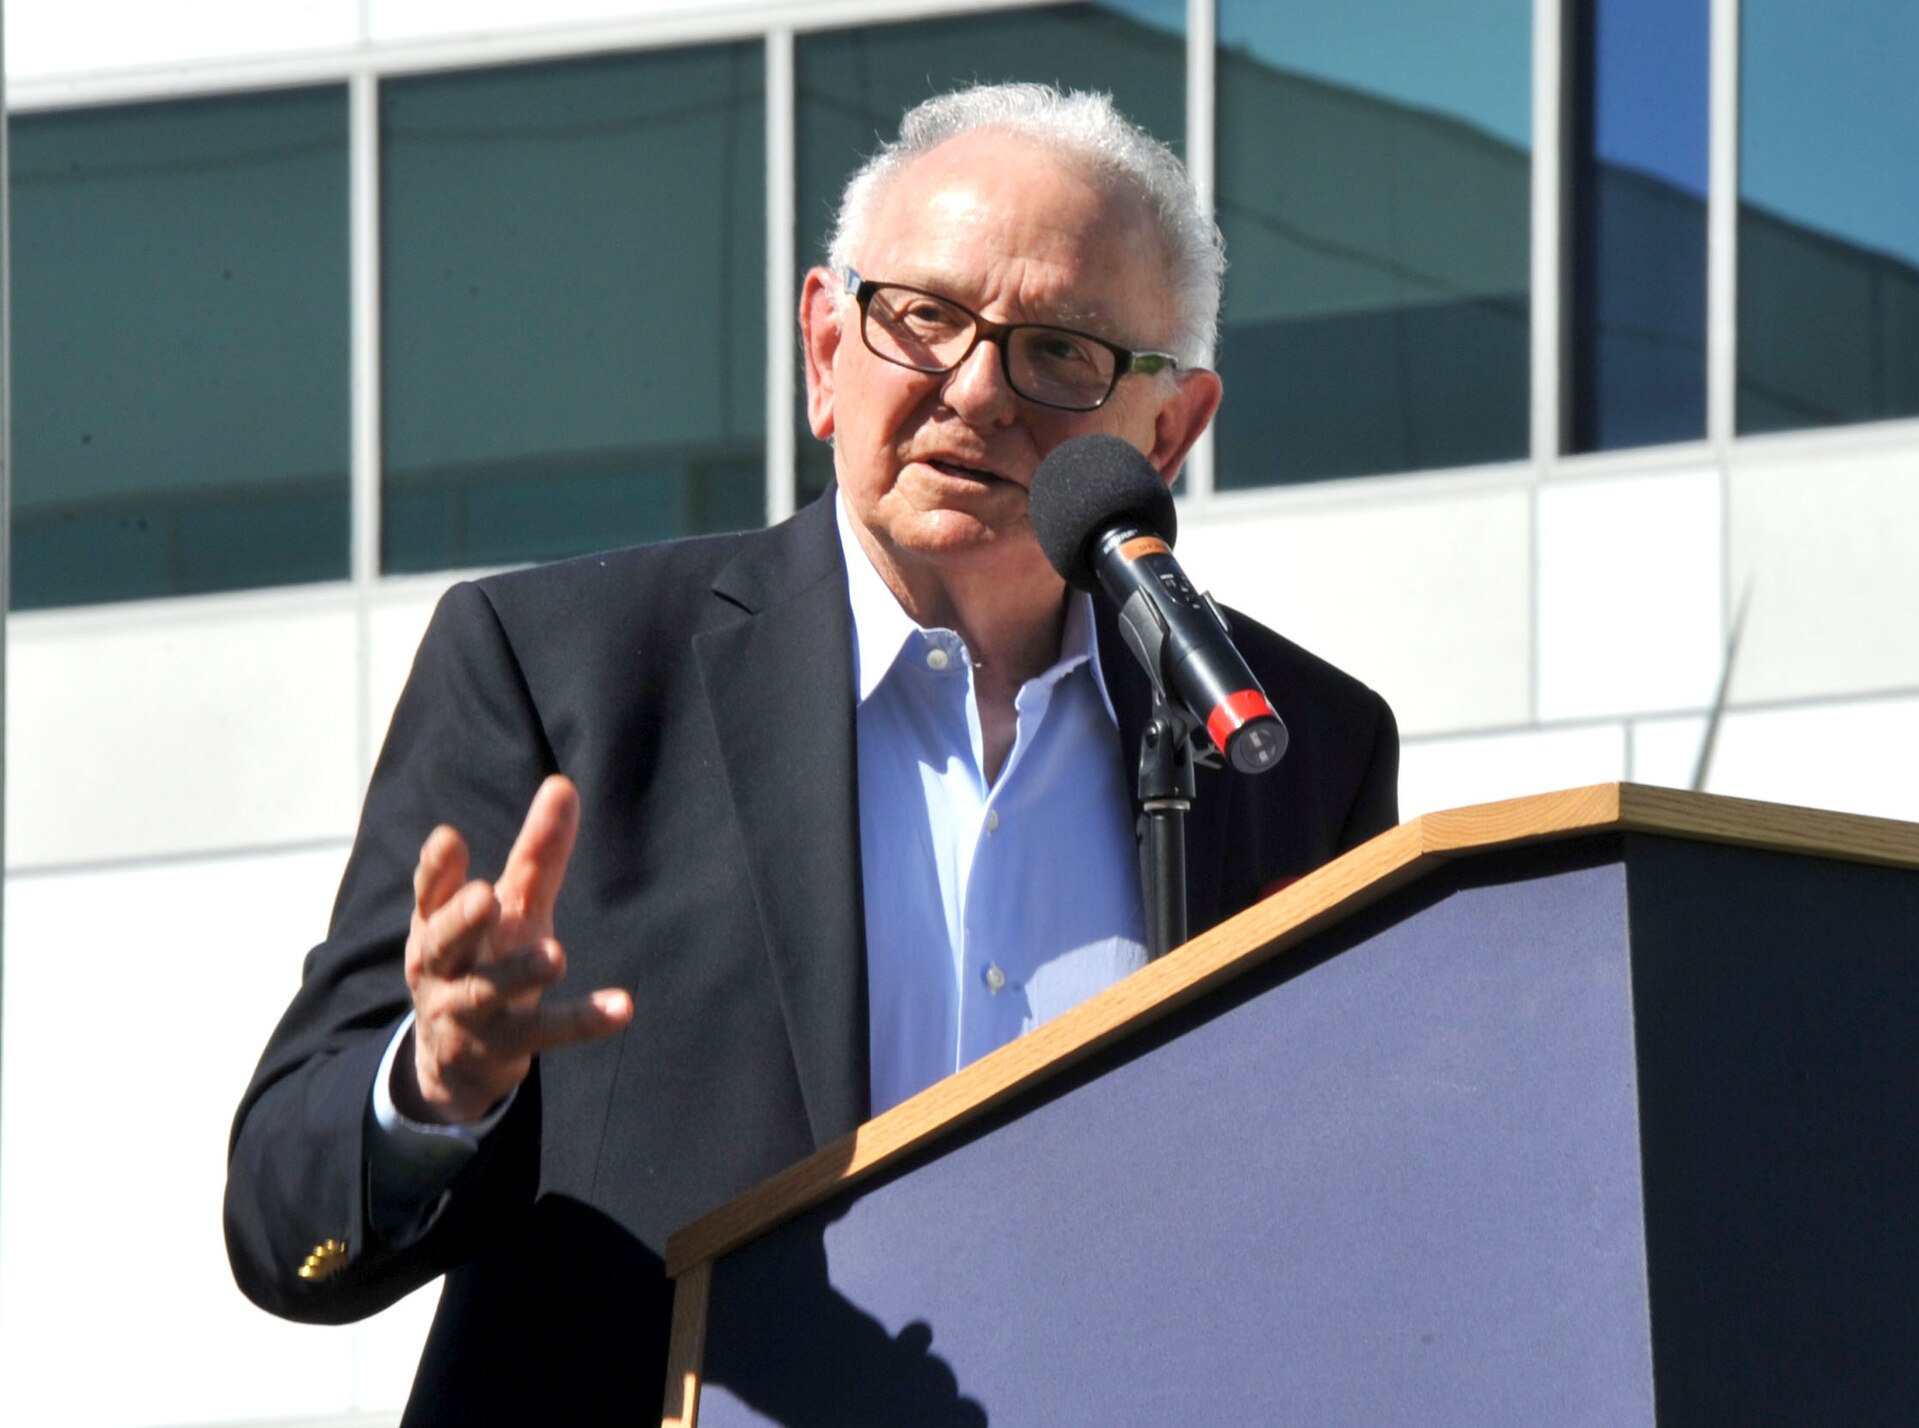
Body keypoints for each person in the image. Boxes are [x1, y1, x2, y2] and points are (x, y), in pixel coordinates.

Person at [225, 82, 1398, 1424]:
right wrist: (436, 1086)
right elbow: (283, 1220)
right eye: (924, 319)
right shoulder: (563, 670)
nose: (976, 390)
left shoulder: (1289, 745)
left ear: (1171, 428)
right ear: (824, 349)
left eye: (1062, 351)